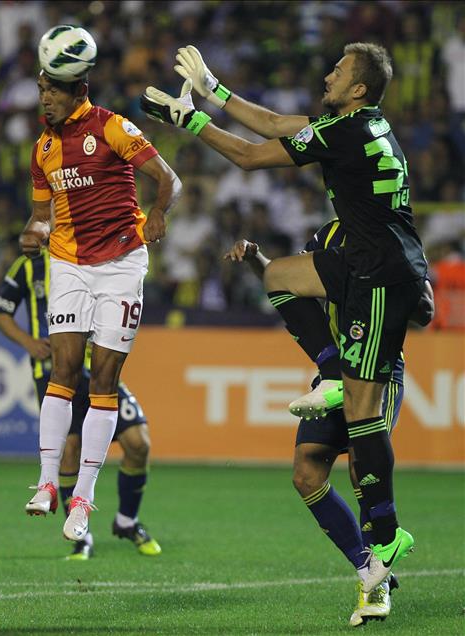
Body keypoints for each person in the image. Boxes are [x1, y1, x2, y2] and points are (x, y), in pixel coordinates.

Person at [140, 42, 428, 592]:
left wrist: (191, 121)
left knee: (362, 411)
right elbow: (273, 123)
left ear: (359, 88)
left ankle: (387, 534)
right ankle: (331, 369)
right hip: (366, 263)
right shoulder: (361, 126)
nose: (328, 75)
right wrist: (213, 89)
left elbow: (251, 156)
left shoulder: (345, 134)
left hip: (381, 274)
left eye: (339, 71)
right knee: (278, 276)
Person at [224, 224, 434, 626]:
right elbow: (291, 280)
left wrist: (374, 284)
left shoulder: (393, 238)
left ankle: (374, 588)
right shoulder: (328, 235)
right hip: (336, 374)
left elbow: (425, 311)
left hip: (376, 371)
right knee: (306, 475)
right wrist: (256, 260)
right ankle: (367, 567)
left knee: (361, 466)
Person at [21, 26, 181, 544]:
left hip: (121, 264)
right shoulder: (42, 149)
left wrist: (158, 214)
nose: (44, 98)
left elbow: (169, 179)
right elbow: (41, 214)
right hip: (68, 263)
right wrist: (33, 230)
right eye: (41, 89)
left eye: (52, 90)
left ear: (78, 90)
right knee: (63, 370)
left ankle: (83, 500)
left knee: (104, 380)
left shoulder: (112, 127)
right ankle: (47, 482)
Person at [0, 248, 161, 560]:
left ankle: (127, 521)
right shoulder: (30, 265)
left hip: (94, 367)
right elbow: (1, 313)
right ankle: (82, 536)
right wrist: (30, 343)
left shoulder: (101, 251)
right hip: (53, 368)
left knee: (139, 442)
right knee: (70, 448)